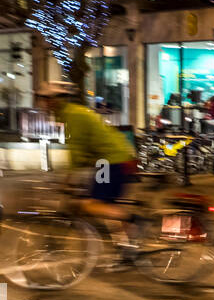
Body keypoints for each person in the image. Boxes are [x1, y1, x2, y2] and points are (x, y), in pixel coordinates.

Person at [36, 82, 138, 221]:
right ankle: (129, 239)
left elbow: (76, 154)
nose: (43, 104)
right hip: (117, 157)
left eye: (45, 100)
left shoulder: (72, 116)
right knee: (109, 206)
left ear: (53, 101)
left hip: (110, 161)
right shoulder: (73, 112)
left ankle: (135, 220)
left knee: (91, 206)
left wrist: (67, 182)